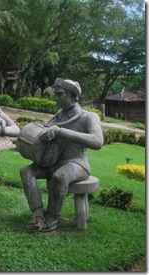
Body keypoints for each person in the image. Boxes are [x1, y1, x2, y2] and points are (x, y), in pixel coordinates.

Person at [19, 78, 104, 233]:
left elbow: (98, 141)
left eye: (59, 94)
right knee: (27, 171)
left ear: (72, 95)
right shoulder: (59, 115)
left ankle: (52, 218)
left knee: (60, 176)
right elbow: (43, 132)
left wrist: (60, 131)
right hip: (55, 161)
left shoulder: (88, 117)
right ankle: (37, 213)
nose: (55, 98)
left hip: (77, 164)